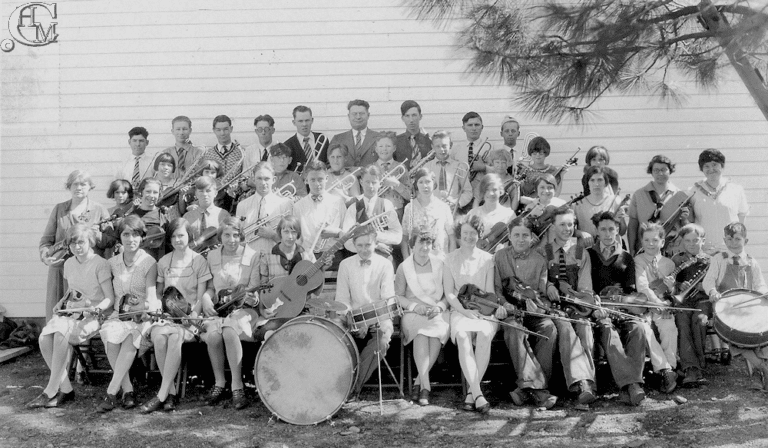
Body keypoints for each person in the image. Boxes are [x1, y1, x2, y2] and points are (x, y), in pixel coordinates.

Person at [28, 224, 114, 409]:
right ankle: (66, 388)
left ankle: (50, 390)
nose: (77, 247)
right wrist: (61, 302)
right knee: (44, 338)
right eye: (72, 243)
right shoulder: (69, 263)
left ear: (90, 241)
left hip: (93, 317)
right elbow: (71, 291)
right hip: (71, 313)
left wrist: (97, 309)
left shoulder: (100, 264)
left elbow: (109, 298)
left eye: (81, 242)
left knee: (60, 334)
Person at [143, 218, 212, 413]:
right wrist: (156, 306)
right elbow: (159, 293)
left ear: (189, 235)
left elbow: (200, 297)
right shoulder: (164, 261)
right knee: (158, 336)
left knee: (174, 337)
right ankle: (170, 392)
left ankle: (162, 394)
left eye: (181, 235)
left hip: (190, 319)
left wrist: (192, 318)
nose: (177, 239)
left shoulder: (199, 261)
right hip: (167, 317)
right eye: (173, 236)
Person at [493, 216, 558, 410]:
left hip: (533, 311)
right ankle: (540, 392)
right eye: (516, 235)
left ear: (532, 237)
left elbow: (543, 289)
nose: (521, 239)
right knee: (514, 331)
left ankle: (526, 388)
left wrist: (538, 305)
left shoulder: (540, 259)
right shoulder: (500, 257)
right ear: (509, 236)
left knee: (549, 329)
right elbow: (496, 289)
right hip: (511, 312)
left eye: (525, 235)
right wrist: (504, 303)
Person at [97, 216, 159, 412]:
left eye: (135, 234)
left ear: (141, 237)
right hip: (117, 315)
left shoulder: (149, 262)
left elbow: (150, 296)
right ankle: (128, 390)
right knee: (110, 335)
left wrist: (144, 308)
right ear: (120, 237)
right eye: (126, 234)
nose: (130, 239)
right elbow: (108, 293)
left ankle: (111, 392)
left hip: (140, 316)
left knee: (130, 337)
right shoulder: (112, 263)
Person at [535, 208, 597, 407]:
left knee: (585, 328)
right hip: (552, 306)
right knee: (564, 327)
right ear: (553, 227)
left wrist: (577, 297)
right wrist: (548, 285)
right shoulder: (544, 251)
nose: (567, 229)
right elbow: (538, 281)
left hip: (575, 304)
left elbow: (586, 287)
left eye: (570, 224)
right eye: (562, 224)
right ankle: (580, 383)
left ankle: (589, 385)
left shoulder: (580, 251)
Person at [199, 217, 261, 410]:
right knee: (214, 335)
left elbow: (255, 293)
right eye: (227, 235)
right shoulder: (212, 256)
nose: (231, 239)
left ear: (242, 236)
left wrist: (252, 298)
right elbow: (210, 288)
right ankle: (219, 383)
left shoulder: (252, 255)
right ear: (220, 236)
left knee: (228, 329)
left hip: (245, 311)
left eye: (236, 235)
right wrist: (206, 299)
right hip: (219, 311)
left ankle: (237, 386)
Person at [587, 211, 646, 406]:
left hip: (622, 308)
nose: (607, 233)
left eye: (611, 229)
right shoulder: (588, 254)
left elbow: (630, 289)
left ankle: (630, 384)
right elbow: (586, 288)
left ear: (617, 230)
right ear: (596, 230)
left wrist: (624, 300)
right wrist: (597, 305)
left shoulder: (626, 257)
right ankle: (632, 385)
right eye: (603, 229)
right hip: (599, 310)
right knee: (608, 332)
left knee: (638, 328)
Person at [703, 222, 768, 387]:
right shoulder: (719, 259)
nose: (733, 242)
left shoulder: (751, 261)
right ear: (725, 240)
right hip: (725, 307)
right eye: (729, 239)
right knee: (736, 335)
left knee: (759, 333)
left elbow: (760, 285)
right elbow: (709, 280)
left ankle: (758, 372)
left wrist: (763, 293)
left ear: (746, 241)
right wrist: (712, 292)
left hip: (747, 307)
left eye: (737, 239)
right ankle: (762, 368)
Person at [40, 170, 111, 321]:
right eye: (75, 184)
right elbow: (46, 241)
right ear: (69, 186)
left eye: (83, 184)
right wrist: (45, 256)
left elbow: (111, 240)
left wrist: (96, 234)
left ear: (90, 187)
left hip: (89, 272)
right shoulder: (59, 209)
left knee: (83, 318)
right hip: (61, 270)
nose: (79, 187)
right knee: (58, 315)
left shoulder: (98, 210)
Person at [443, 215, 496, 413]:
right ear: (459, 235)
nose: (469, 237)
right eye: (465, 233)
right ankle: (477, 393)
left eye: (473, 233)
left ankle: (472, 393)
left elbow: (489, 291)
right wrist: (464, 311)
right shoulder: (449, 259)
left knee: (483, 334)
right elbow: (449, 293)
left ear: (478, 235)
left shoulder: (488, 259)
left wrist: (482, 311)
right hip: (459, 310)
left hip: (483, 311)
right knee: (463, 336)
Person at [336, 229, 396, 400]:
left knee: (382, 341)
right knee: (335, 338)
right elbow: (342, 301)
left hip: (379, 317)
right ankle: (333, 384)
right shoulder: (345, 265)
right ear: (354, 245)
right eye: (359, 245)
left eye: (368, 245)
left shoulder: (385, 265)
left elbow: (387, 301)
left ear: (375, 244)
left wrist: (367, 322)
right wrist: (354, 321)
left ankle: (351, 388)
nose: (363, 249)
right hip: (350, 318)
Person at [395, 228, 449, 406]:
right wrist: (414, 306)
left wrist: (440, 307)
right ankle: (425, 386)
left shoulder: (440, 264)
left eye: (428, 243)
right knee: (420, 332)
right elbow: (399, 296)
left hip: (436, 310)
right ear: (412, 245)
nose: (425, 247)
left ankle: (420, 383)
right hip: (413, 312)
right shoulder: (404, 267)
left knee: (435, 331)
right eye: (421, 242)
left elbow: (448, 294)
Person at [256, 215, 320, 339]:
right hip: (276, 308)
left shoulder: (306, 254)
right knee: (264, 333)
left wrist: (324, 266)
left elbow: (315, 283)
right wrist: (262, 310)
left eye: (293, 232)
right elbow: (262, 285)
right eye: (286, 232)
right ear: (279, 232)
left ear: (298, 234)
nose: (290, 236)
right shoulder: (268, 255)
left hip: (300, 308)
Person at [634, 222, 679, 393]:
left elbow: (672, 292)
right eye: (646, 240)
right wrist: (656, 303)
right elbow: (642, 286)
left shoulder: (669, 263)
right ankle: (665, 369)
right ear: (642, 241)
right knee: (645, 329)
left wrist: (671, 287)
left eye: (655, 240)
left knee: (669, 327)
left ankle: (670, 370)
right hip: (646, 305)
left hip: (662, 306)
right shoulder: (638, 260)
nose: (651, 244)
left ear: (662, 242)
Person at [688, 149, 749, 254]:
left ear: (722, 165)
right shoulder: (693, 191)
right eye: (706, 166)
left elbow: (742, 217)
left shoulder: (736, 189)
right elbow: (690, 220)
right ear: (701, 169)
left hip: (730, 250)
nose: (711, 169)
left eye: (714, 164)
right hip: (704, 251)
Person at [672, 224, 711, 387]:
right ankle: (691, 368)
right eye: (687, 241)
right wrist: (680, 285)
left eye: (696, 240)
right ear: (682, 242)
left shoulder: (710, 260)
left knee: (699, 321)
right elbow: (672, 283)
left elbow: (718, 283)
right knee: (681, 321)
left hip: (703, 301)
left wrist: (705, 286)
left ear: (703, 241)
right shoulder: (677, 260)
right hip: (685, 301)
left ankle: (698, 365)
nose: (692, 244)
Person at [627, 155, 689, 256]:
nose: (660, 173)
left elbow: (688, 226)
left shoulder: (681, 196)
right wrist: (632, 249)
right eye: (656, 170)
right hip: (645, 248)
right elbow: (633, 224)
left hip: (672, 250)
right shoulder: (639, 194)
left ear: (670, 171)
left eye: (664, 169)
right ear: (651, 172)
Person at [293, 161, 348, 270]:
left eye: (320, 179)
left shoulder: (338, 202)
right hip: (308, 256)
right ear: (306, 180)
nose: (317, 184)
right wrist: (305, 253)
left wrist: (336, 233)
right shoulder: (298, 206)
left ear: (326, 178)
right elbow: (297, 237)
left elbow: (346, 232)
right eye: (312, 180)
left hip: (334, 256)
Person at [342, 165, 403, 258]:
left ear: (380, 183)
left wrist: (376, 235)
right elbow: (346, 240)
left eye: (374, 182)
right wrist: (375, 245)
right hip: (359, 258)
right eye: (367, 182)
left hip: (383, 258)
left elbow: (398, 236)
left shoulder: (387, 205)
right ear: (361, 182)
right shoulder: (353, 207)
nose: (370, 186)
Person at [235, 162, 293, 257]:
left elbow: (291, 241)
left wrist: (273, 235)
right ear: (253, 179)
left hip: (275, 259)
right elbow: (238, 237)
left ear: (273, 179)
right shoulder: (242, 205)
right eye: (259, 178)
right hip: (249, 260)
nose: (263, 183)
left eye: (267, 179)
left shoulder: (285, 204)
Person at [401, 168, 455, 259]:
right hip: (417, 261)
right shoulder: (409, 208)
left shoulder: (443, 207)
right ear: (416, 185)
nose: (424, 186)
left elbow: (452, 237)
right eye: (420, 182)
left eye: (428, 182)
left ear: (434, 183)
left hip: (440, 259)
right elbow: (405, 238)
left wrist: (450, 261)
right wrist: (407, 262)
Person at [423, 130, 473, 213]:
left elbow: (468, 192)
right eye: (438, 146)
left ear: (451, 145)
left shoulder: (459, 166)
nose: (441, 149)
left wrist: (457, 203)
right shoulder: (427, 167)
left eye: (444, 146)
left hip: (452, 211)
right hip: (432, 211)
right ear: (432, 146)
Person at [573, 166, 627, 239]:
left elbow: (622, 232)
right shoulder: (578, 205)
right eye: (592, 180)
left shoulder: (615, 201)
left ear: (606, 182)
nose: (596, 184)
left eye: (600, 180)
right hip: (586, 247)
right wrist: (581, 233)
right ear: (587, 183)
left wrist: (620, 221)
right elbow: (569, 230)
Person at [468, 174, 516, 252]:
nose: (491, 193)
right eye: (487, 189)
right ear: (482, 192)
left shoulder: (509, 215)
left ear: (500, 191)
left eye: (494, 190)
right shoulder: (473, 213)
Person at [182, 175, 231, 251]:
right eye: (201, 191)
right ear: (196, 194)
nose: (205, 194)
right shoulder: (187, 217)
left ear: (215, 193)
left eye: (208, 191)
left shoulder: (223, 215)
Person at [330, 99, 380, 168]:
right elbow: (329, 165)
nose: (358, 117)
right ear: (348, 116)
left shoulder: (379, 138)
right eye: (354, 114)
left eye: (362, 113)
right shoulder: (337, 139)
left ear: (368, 115)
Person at [374, 132, 411, 224]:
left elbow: (410, 196)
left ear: (394, 148)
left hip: (397, 212)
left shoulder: (400, 168)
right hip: (376, 213)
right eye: (381, 146)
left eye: (388, 146)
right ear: (376, 149)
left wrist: (396, 184)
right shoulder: (371, 169)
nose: (384, 149)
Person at [130, 178, 169, 261]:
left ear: (159, 194)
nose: (151, 196)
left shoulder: (163, 215)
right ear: (141, 192)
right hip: (135, 261)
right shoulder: (132, 215)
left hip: (157, 260)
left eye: (155, 192)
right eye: (148, 191)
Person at [159, 116, 206, 181]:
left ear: (190, 130)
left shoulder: (198, 153)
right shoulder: (165, 153)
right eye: (178, 129)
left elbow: (201, 175)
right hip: (170, 189)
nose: (181, 132)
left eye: (184, 129)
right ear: (172, 131)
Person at [450, 112, 493, 182]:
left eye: (477, 125)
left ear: (482, 127)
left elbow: (500, 172)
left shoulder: (491, 148)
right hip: (462, 190)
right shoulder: (456, 149)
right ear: (463, 128)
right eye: (470, 125)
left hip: (483, 189)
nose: (474, 128)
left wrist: (484, 167)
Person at [284, 105, 328, 171]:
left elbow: (328, 162)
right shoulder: (287, 145)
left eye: (307, 120)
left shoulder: (322, 139)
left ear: (312, 120)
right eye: (300, 121)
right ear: (294, 122)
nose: (304, 124)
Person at [202, 115, 245, 182]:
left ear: (231, 129)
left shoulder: (241, 152)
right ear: (214, 130)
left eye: (226, 129)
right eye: (218, 130)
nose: (222, 133)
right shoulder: (208, 154)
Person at [395, 100, 431, 169]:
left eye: (414, 115)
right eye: (407, 116)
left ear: (420, 116)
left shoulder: (429, 141)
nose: (411, 120)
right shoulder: (396, 142)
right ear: (402, 118)